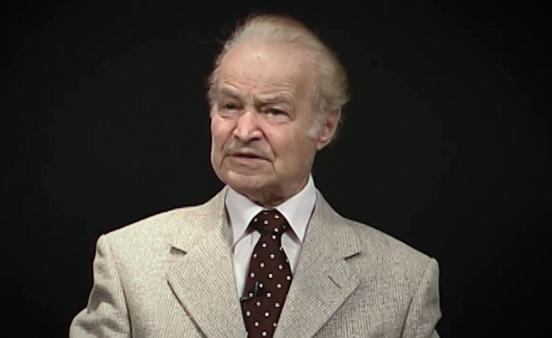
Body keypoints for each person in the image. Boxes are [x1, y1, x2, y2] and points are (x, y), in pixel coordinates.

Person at [70, 13, 441, 338]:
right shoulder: (128, 261)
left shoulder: (404, 280)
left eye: (273, 111)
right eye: (230, 106)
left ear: (325, 126)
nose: (245, 130)